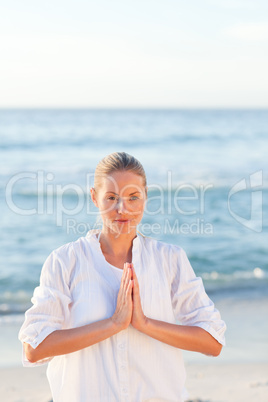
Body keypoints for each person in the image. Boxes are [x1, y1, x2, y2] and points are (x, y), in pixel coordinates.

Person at [19, 151, 226, 402]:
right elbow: (34, 348)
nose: (122, 208)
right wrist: (113, 324)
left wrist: (144, 324)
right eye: (111, 197)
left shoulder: (170, 259)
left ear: (145, 198)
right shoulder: (65, 261)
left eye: (133, 197)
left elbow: (212, 341)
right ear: (95, 198)